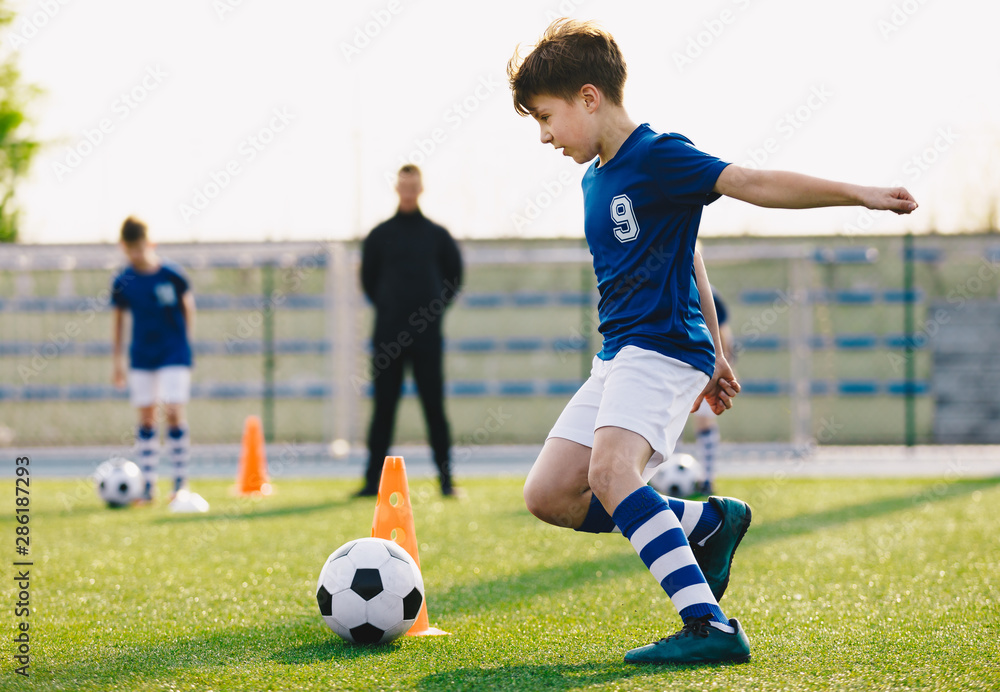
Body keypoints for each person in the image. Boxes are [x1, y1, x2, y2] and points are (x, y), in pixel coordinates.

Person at [508, 18, 917, 665]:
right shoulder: (595, 177)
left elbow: (750, 181)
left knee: (611, 473)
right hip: (620, 354)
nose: (545, 136)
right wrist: (719, 355)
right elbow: (688, 247)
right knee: (550, 495)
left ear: (589, 97)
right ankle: (708, 523)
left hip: (662, 347)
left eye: (547, 116)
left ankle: (709, 626)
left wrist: (859, 195)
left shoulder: (660, 154)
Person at [357, 164, 464, 498]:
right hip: (388, 338)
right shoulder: (379, 235)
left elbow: (454, 277)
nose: (408, 191)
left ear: (420, 189)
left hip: (427, 338)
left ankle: (446, 482)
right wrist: (392, 310)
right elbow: (368, 281)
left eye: (413, 185)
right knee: (383, 410)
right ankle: (371, 481)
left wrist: (430, 313)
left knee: (434, 408)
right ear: (397, 188)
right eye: (403, 185)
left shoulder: (437, 235)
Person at [111, 216, 199, 509]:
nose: (136, 254)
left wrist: (185, 344)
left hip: (173, 352)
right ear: (124, 248)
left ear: (151, 244)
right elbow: (119, 321)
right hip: (142, 355)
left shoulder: (172, 275)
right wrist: (117, 361)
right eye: (131, 249)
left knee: (173, 410)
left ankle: (179, 482)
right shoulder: (124, 281)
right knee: (147, 417)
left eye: (140, 247)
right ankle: (148, 486)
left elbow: (188, 307)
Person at [691, 281, 733, 496]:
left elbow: (724, 331)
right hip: (674, 364)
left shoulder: (709, 293)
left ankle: (707, 477)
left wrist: (721, 362)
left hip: (704, 366)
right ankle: (657, 475)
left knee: (704, 419)